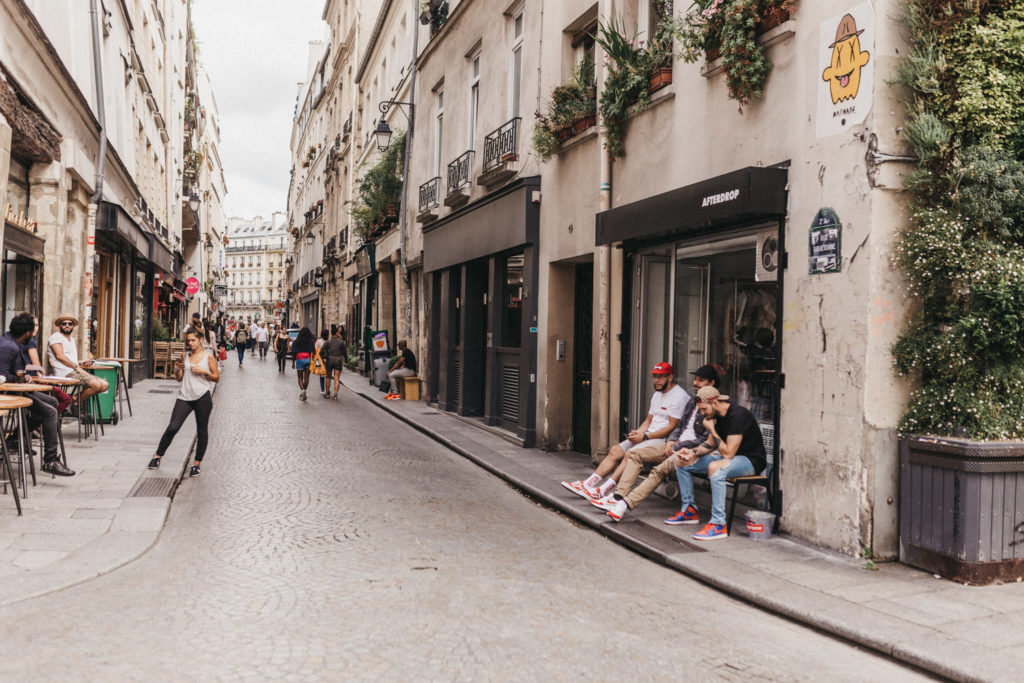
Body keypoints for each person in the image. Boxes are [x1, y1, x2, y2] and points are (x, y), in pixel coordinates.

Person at [597, 365, 720, 522]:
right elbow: (680, 426)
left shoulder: (713, 406)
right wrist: (672, 441)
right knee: (635, 454)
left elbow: (705, 440)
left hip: (691, 450)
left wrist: (678, 446)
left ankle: (625, 504)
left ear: (712, 383)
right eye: (695, 379)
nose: (695, 383)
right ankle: (617, 497)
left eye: (700, 380)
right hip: (674, 444)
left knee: (659, 470)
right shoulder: (692, 401)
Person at [561, 362, 687, 500]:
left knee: (630, 454)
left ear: (670, 377)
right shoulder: (657, 394)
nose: (656, 380)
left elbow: (672, 427)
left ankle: (603, 490)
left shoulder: (678, 396)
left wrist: (644, 437)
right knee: (615, 450)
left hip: (662, 441)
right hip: (647, 435)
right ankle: (587, 484)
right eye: (655, 376)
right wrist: (637, 434)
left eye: (660, 377)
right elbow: (648, 421)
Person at [673, 385, 768, 541]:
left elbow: (728, 453)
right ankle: (689, 509)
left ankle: (718, 524)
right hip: (730, 457)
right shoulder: (714, 416)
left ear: (715, 403)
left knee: (715, 468)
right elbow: (710, 445)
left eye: (704, 409)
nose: (702, 414)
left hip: (750, 460)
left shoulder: (738, 416)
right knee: (681, 461)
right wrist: (692, 452)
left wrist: (712, 430)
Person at [0, 313, 74, 476]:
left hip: (20, 388)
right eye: (33, 330)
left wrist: (25, 378)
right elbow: (2, 378)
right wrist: (21, 377)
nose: (34, 333)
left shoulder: (11, 340)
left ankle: (14, 439)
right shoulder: (8, 346)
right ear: (26, 332)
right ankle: (50, 460)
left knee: (53, 402)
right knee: (51, 411)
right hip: (10, 393)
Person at [148, 327, 219, 477]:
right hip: (184, 396)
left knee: (202, 430)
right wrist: (177, 370)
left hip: (202, 397)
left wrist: (204, 372)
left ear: (200, 340)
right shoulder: (184, 355)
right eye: (188, 341)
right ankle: (157, 456)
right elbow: (179, 378)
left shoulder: (209, 357)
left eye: (193, 340)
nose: (190, 343)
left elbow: (216, 377)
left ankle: (196, 464)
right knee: (173, 427)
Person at [47, 314, 110, 409]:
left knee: (105, 385)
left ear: (73, 326)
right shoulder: (56, 337)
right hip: (64, 373)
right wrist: (76, 367)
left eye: (70, 323)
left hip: (74, 370)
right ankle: (74, 403)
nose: (67, 325)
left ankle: (74, 399)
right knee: (96, 385)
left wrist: (82, 363)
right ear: (59, 325)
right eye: (64, 323)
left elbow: (71, 359)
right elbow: (60, 356)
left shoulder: (71, 339)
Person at [291, 326, 315, 401]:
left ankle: (303, 390)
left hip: (299, 359)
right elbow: (313, 351)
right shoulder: (311, 341)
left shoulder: (296, 341)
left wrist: (293, 362)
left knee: (300, 377)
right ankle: (304, 389)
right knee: (307, 377)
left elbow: (293, 353)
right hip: (308, 359)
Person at [323, 325, 346, 400]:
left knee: (328, 377)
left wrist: (324, 358)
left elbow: (321, 352)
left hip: (329, 360)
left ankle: (327, 393)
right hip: (338, 360)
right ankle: (335, 395)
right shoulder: (341, 342)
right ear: (336, 333)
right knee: (336, 378)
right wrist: (346, 359)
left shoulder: (327, 342)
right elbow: (344, 352)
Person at [313, 328, 329, 396]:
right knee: (328, 375)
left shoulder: (318, 341)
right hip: (328, 359)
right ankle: (327, 389)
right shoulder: (329, 341)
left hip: (320, 359)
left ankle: (322, 389)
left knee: (322, 375)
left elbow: (315, 349)